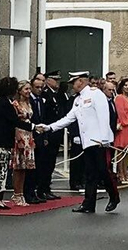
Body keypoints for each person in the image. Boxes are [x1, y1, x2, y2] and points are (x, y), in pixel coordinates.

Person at [36, 72, 118, 214]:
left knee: (103, 171)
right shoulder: (78, 100)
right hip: (87, 142)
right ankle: (88, 204)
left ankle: (114, 196)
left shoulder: (96, 94)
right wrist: (49, 127)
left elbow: (104, 116)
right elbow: (69, 118)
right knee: (90, 173)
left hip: (99, 140)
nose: (72, 86)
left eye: (73, 83)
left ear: (81, 81)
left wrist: (104, 139)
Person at [0, 77, 32, 209]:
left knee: (0, 169)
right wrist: (33, 127)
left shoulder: (5, 101)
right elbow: (14, 121)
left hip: (1, 141)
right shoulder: (3, 103)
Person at [29, 70, 64, 202]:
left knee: (49, 164)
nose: (41, 86)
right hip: (43, 133)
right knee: (42, 164)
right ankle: (40, 189)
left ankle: (45, 188)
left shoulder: (55, 94)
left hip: (51, 133)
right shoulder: (44, 95)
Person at [12, 78, 38, 203]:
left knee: (26, 167)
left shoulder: (29, 103)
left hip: (29, 135)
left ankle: (23, 193)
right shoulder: (15, 104)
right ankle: (17, 194)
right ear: (20, 90)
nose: (28, 91)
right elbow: (15, 120)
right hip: (20, 135)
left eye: (29, 88)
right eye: (26, 89)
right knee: (19, 166)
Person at [113, 79, 128, 184]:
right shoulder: (119, 98)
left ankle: (126, 171)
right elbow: (120, 112)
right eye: (126, 85)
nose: (127, 87)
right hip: (123, 127)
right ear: (122, 86)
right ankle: (120, 172)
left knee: (127, 151)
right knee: (120, 150)